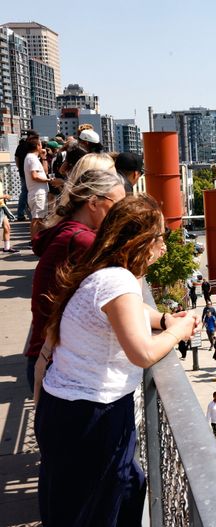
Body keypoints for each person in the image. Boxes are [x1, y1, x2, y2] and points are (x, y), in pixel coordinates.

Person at [33, 195, 198, 526]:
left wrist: (163, 319)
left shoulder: (99, 270)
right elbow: (143, 353)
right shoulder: (119, 280)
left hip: (64, 409)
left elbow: (127, 312)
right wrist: (178, 331)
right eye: (160, 237)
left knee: (104, 497)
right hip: (92, 417)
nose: (164, 247)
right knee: (101, 509)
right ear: (140, 240)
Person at [26, 168, 125, 391]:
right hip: (58, 365)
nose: (119, 214)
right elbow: (125, 279)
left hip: (49, 357)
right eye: (117, 206)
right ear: (93, 203)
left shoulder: (67, 230)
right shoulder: (82, 241)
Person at [23, 137, 51, 238]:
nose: (42, 146)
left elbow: (45, 171)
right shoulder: (32, 158)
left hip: (38, 192)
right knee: (37, 218)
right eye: (41, 144)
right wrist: (49, 180)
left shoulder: (33, 158)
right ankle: (34, 242)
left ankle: (40, 241)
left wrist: (43, 157)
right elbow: (34, 176)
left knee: (40, 218)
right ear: (37, 146)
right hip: (37, 193)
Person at [0, 178, 18, 253]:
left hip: (2, 206)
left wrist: (4, 197)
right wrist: (4, 196)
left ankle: (6, 248)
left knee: (7, 227)